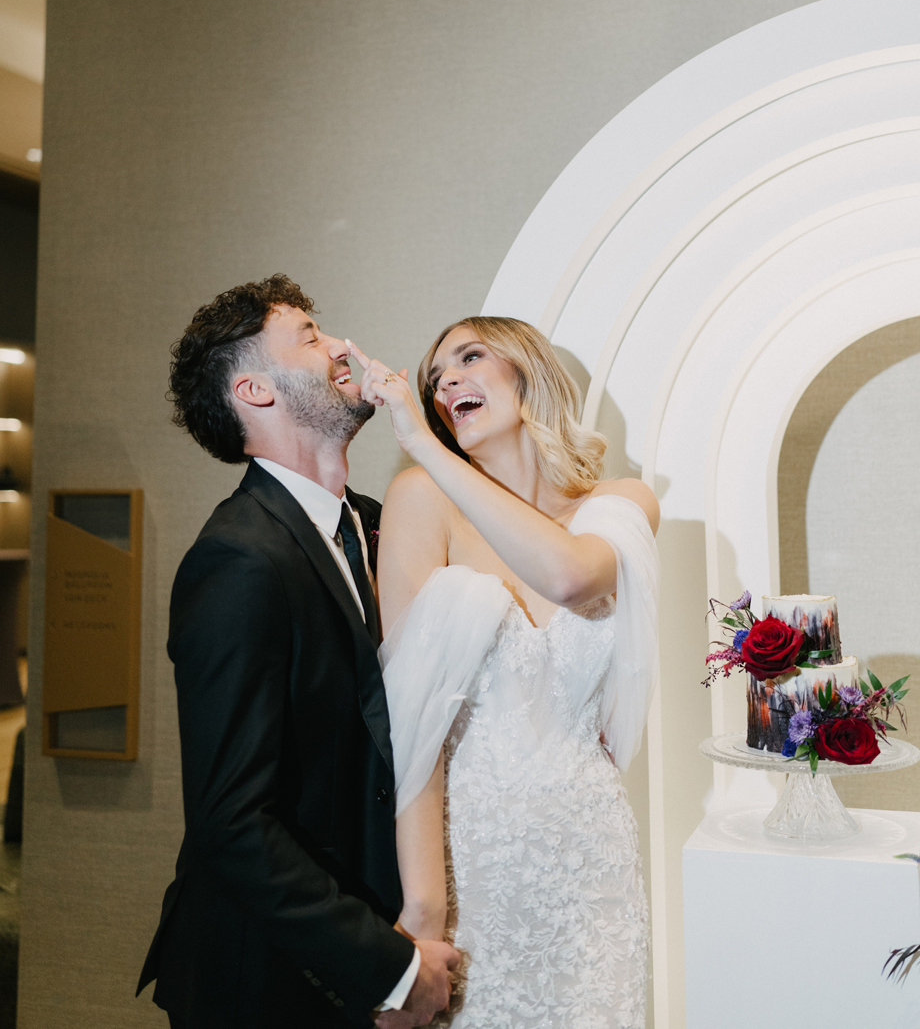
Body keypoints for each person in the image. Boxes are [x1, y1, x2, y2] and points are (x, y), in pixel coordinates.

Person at [137, 275, 458, 1029]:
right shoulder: (236, 560)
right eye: (310, 336)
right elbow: (232, 822)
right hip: (270, 982)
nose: (343, 346)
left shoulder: (382, 527)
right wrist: (389, 966)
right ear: (255, 390)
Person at [348, 317, 661, 1029]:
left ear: (528, 373)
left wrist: (424, 444)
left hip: (592, 867)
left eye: (470, 357)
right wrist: (423, 913)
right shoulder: (420, 500)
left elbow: (569, 577)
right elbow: (412, 728)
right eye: (435, 379)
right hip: (472, 864)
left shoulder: (621, 504)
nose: (446, 381)